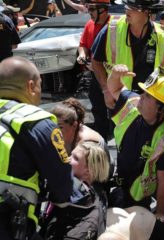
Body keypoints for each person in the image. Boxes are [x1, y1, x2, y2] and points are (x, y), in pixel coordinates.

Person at [0, 56, 73, 239]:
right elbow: (62, 184)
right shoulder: (36, 121)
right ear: (31, 86)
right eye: (40, 85)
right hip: (9, 222)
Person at [107, 65, 164, 223]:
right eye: (144, 92)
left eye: (148, 96)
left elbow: (163, 180)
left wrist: (159, 213)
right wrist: (115, 75)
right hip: (124, 178)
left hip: (144, 187)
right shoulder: (132, 104)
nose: (141, 97)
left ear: (161, 109)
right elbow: (115, 88)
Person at [91, 0, 164, 108]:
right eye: (127, 6)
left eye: (133, 7)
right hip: (119, 98)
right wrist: (107, 91)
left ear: (146, 11)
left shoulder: (163, 37)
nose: (127, 9)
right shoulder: (112, 28)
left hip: (150, 104)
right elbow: (96, 61)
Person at [40, 141, 110, 239]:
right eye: (70, 155)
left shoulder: (83, 202)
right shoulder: (94, 194)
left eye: (75, 158)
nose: (68, 159)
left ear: (88, 171)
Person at [78, 0, 112, 141]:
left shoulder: (115, 26)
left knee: (117, 112)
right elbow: (83, 44)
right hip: (95, 76)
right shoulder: (89, 24)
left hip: (113, 77)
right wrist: (82, 54)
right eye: (88, 8)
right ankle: (102, 141)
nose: (89, 12)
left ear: (103, 10)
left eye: (92, 9)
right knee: (98, 110)